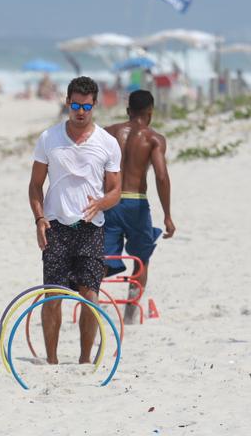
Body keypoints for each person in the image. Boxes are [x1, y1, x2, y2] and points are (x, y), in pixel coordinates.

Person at [28, 76, 122, 365]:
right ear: (67, 102)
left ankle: (84, 360)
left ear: (94, 105)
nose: (80, 111)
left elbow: (116, 189)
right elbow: (35, 185)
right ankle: (52, 360)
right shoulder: (49, 138)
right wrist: (39, 219)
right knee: (52, 296)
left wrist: (103, 202)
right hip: (56, 227)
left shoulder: (107, 143)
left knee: (90, 295)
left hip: (91, 229)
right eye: (75, 105)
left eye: (86, 106)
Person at [103, 90, 175, 324]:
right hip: (136, 203)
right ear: (150, 112)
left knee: (103, 257)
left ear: (127, 111)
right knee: (141, 258)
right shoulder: (153, 138)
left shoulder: (107, 133)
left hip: (110, 200)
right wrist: (167, 215)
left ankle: (91, 302)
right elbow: (161, 177)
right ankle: (130, 315)